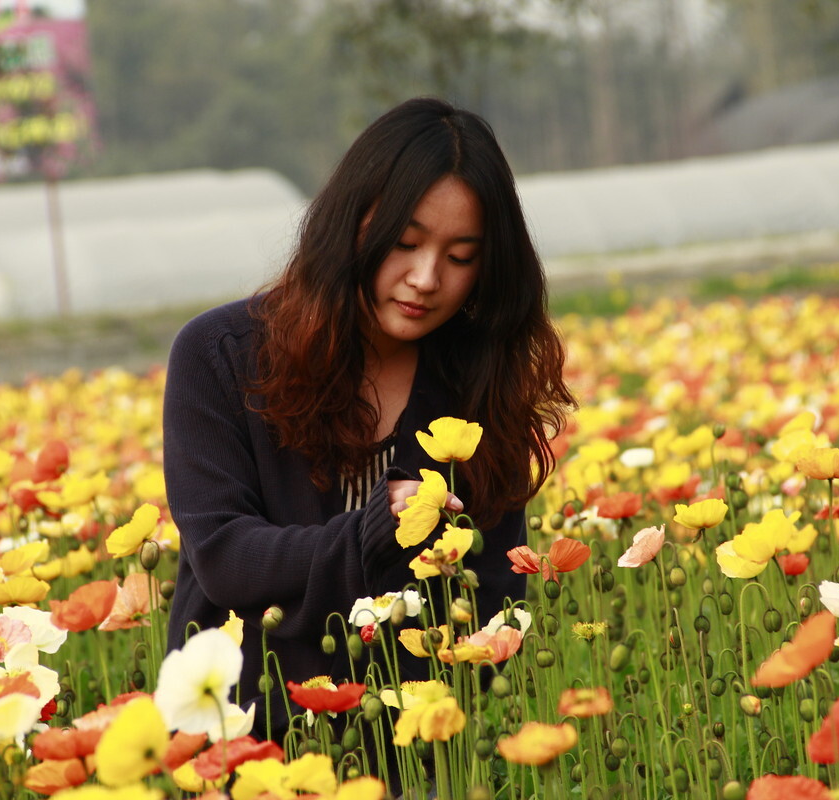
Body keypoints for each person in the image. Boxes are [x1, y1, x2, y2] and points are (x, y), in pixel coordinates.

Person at [162, 97, 574, 734]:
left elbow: (494, 602)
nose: (426, 277)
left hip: (408, 748)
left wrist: (429, 725)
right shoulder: (222, 357)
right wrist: (372, 532)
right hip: (241, 740)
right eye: (405, 244)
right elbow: (224, 556)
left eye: (461, 256)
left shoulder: (479, 385)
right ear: (350, 224)